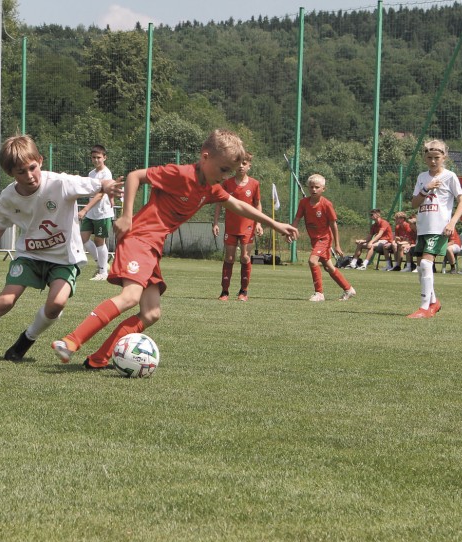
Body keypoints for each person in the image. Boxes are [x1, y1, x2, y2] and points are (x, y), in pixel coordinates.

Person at [51, 129, 299, 369]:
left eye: (230, 172)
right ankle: (71, 341)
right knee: (130, 298)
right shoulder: (180, 174)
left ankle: (100, 358)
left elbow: (239, 205)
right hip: (139, 239)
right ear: (205, 157)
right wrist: (127, 216)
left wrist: (275, 224)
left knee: (151, 313)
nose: (225, 176)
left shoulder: (210, 188)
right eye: (223, 169)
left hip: (153, 248)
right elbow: (136, 176)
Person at [0, 135, 122, 362]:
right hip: (29, 255)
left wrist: (106, 185)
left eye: (32, 168)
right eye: (20, 172)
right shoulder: (9, 195)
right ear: (11, 174)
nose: (29, 176)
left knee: (57, 304)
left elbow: (92, 184)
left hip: (64, 258)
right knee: (5, 301)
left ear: (40, 161)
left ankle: (26, 340)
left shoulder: (59, 183)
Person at [407, 139, 462, 318]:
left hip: (439, 228)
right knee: (421, 268)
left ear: (444, 157)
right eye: (429, 157)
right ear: (425, 158)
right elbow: (414, 203)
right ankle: (434, 302)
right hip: (423, 228)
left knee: (426, 264)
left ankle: (424, 308)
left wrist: (452, 223)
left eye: (437, 157)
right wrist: (426, 189)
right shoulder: (422, 177)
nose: (433, 161)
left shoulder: (450, 176)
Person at [293, 174, 355, 301]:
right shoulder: (303, 203)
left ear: (323, 189)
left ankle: (319, 293)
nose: (314, 190)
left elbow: (334, 225)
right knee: (328, 267)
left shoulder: (326, 204)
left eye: (317, 187)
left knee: (312, 261)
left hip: (324, 239)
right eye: (311, 187)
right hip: (315, 240)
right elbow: (297, 219)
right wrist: (291, 231)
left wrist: (337, 245)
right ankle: (348, 289)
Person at [211, 152, 263, 301]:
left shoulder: (254, 184)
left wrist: (258, 223)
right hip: (231, 226)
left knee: (245, 257)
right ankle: (224, 292)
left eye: (244, 163)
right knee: (229, 257)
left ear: (249, 166)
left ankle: (243, 291)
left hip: (248, 226)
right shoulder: (227, 183)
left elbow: (257, 203)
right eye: (239, 163)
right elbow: (220, 202)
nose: (241, 166)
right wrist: (215, 222)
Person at [77, 145, 114, 281]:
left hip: (102, 212)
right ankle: (102, 264)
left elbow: (99, 195)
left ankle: (103, 272)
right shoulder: (92, 174)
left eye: (99, 157)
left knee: (99, 241)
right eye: (93, 157)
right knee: (83, 238)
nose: (96, 160)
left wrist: (85, 209)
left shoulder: (106, 173)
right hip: (92, 212)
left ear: (105, 158)